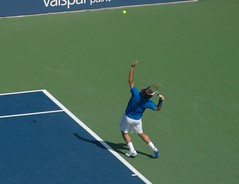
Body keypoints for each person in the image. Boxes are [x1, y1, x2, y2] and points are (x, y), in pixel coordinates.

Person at [119, 60, 165, 158]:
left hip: (127, 118)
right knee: (141, 133)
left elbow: (130, 81)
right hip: (137, 120)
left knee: (124, 132)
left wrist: (132, 67)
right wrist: (161, 101)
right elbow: (157, 109)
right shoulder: (149, 103)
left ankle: (132, 151)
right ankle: (155, 149)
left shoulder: (136, 93)